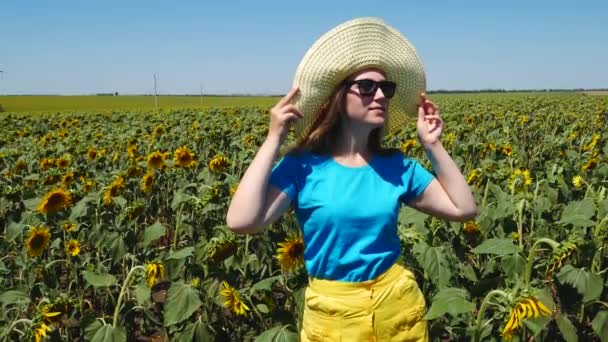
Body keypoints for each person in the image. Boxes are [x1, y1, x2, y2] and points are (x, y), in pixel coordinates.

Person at [226, 17, 477, 341]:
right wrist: (274, 138)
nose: (381, 96)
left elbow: (464, 208)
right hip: (333, 319)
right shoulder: (303, 167)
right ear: (337, 97)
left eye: (386, 88)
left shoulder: (397, 166)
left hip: (397, 312)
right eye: (367, 87)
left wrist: (432, 145)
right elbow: (241, 221)